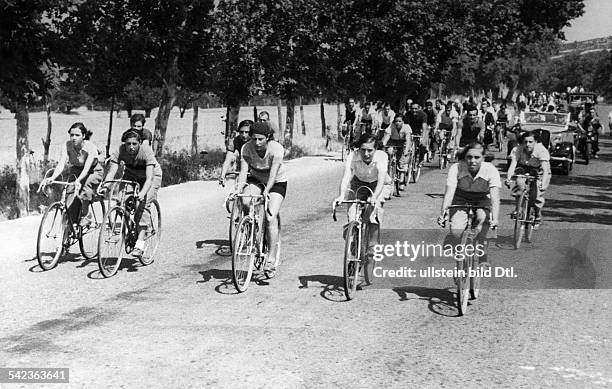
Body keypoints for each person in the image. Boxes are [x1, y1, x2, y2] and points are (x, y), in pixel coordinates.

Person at [334, 133, 390, 284]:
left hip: (379, 185)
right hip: (359, 184)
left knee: (372, 217)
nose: (366, 154)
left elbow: (381, 181)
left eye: (370, 150)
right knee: (352, 219)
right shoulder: (353, 156)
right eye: (363, 150)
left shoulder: (382, 157)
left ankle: (372, 249)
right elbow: (346, 177)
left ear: (376, 149)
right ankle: (354, 252)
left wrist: (374, 197)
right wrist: (340, 195)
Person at [101, 130, 163, 257]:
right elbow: (112, 172)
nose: (131, 147)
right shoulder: (120, 150)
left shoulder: (146, 151)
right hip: (132, 174)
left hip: (150, 176)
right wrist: (105, 186)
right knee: (121, 201)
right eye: (128, 144)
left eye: (134, 143)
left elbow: (149, 178)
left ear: (140, 143)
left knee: (143, 205)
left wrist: (142, 194)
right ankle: (131, 229)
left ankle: (140, 242)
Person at [235, 121, 286, 270]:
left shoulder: (276, 149)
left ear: (268, 138)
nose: (257, 143)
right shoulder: (246, 148)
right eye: (254, 139)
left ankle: (271, 257)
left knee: (270, 217)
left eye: (260, 139)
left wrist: (267, 191)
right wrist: (239, 189)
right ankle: (250, 226)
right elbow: (244, 172)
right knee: (244, 200)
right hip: (256, 179)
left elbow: (273, 174)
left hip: (276, 182)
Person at [438, 141, 500, 250]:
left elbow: (495, 198)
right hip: (460, 197)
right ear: (465, 157)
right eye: (469, 157)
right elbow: (449, 193)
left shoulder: (490, 170)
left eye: (477, 157)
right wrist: (443, 214)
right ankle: (453, 238)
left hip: (482, 198)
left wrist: (495, 218)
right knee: (456, 231)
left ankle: (482, 258)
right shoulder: (456, 168)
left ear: (483, 158)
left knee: (482, 221)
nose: (473, 161)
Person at [43, 122, 104, 226]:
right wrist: (52, 177)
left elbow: (86, 168)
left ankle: (86, 214)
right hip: (76, 170)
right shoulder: (67, 145)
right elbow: (61, 164)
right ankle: (70, 224)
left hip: (93, 171)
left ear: (84, 136)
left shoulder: (90, 147)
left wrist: (78, 180)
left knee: (85, 186)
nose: (74, 138)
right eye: (72, 135)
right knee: (69, 193)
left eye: (77, 135)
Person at [505, 131, 551, 228]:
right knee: (519, 185)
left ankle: (537, 215)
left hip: (540, 171)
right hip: (524, 168)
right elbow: (513, 165)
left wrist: (543, 183)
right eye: (525, 142)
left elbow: (545, 170)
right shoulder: (518, 149)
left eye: (530, 142)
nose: (527, 144)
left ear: (535, 142)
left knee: (537, 195)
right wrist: (508, 178)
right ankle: (518, 209)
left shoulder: (541, 150)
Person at [381, 114, 412, 191]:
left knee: (402, 161)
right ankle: (390, 170)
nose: (397, 123)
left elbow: (408, 140)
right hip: (393, 142)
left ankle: (401, 181)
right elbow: (386, 138)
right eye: (396, 121)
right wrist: (382, 147)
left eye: (399, 121)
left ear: (403, 122)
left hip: (403, 142)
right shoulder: (391, 126)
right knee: (389, 153)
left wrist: (406, 150)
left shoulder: (406, 127)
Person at [219, 120, 253, 186]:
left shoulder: (256, 141)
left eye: (247, 132)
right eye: (241, 132)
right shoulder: (236, 141)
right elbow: (227, 160)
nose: (244, 135)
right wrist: (222, 175)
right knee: (238, 186)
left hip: (256, 168)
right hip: (242, 166)